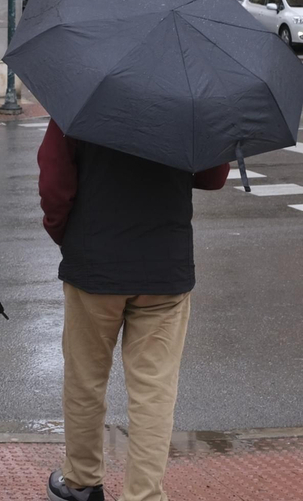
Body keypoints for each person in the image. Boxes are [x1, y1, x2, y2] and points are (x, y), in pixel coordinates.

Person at [38, 120, 230, 501]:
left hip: (94, 261)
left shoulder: (81, 100)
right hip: (164, 266)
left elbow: (54, 182)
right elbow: (214, 175)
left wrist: (66, 235)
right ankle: (142, 495)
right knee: (153, 392)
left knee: (85, 380)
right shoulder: (189, 101)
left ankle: (82, 482)